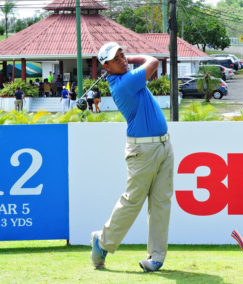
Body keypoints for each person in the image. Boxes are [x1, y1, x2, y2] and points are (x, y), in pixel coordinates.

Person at [90, 42, 174, 273]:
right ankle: (103, 241)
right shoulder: (124, 84)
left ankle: (156, 257)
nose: (122, 60)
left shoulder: (126, 75)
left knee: (161, 202)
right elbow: (154, 62)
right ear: (106, 66)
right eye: (116, 59)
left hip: (164, 145)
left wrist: (127, 60)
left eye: (122, 54)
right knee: (133, 201)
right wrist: (136, 57)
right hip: (142, 152)